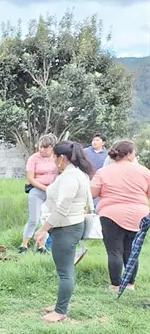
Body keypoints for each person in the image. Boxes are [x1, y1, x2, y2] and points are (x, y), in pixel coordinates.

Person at [34, 141, 92, 322]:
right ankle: (61, 302)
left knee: (65, 270)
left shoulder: (70, 177)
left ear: (61, 158)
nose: (52, 160)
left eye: (54, 156)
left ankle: (60, 310)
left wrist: (43, 229)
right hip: (67, 225)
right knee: (64, 269)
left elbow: (62, 208)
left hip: (66, 227)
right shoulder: (76, 174)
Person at [90, 140, 150, 291]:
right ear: (129, 155)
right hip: (139, 214)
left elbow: (92, 193)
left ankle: (115, 284)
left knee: (114, 250)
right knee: (131, 250)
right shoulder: (144, 171)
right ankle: (130, 284)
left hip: (111, 214)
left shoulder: (103, 172)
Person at [20, 134, 58, 253]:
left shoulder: (57, 158)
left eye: (45, 147)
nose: (42, 150)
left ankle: (42, 246)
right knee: (33, 219)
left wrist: (53, 189)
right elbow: (30, 178)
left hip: (53, 192)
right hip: (37, 191)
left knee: (46, 219)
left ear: (52, 147)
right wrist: (45, 188)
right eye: (40, 147)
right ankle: (24, 244)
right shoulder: (33, 158)